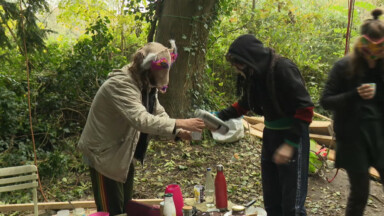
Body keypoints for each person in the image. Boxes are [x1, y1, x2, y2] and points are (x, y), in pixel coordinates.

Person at [77, 40, 205, 215]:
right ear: (146, 70)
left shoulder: (146, 84)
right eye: (155, 81)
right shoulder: (122, 84)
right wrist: (181, 122)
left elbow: (157, 112)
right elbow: (141, 120)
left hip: (122, 153)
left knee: (126, 208)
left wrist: (179, 132)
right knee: (111, 211)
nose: (156, 86)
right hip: (103, 156)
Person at [217, 34, 314, 216]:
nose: (236, 68)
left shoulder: (283, 68)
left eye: (238, 62)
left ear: (249, 58)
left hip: (292, 138)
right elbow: (246, 104)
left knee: (292, 207)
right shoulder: (254, 74)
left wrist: (290, 145)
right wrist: (217, 117)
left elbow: (306, 109)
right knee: (272, 202)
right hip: (270, 136)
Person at [320, 9, 384, 216]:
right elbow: (326, 101)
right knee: (360, 193)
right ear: (362, 45)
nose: (374, 55)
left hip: (379, 136)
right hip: (352, 138)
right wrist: (354, 95)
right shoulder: (343, 66)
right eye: (370, 49)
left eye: (380, 49)